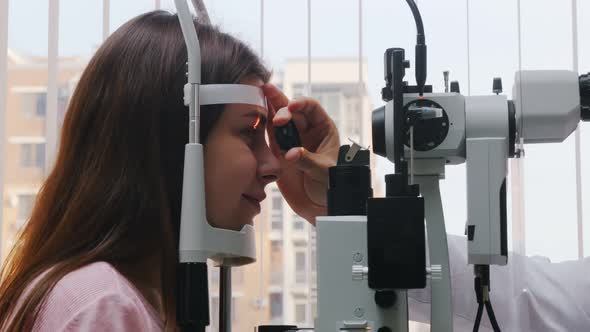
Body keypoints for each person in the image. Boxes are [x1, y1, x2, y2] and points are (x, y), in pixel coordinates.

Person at [0, 11, 339, 331]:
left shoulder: (114, 298)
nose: (273, 166)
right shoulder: (105, 306)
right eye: (250, 132)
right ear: (174, 138)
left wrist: (327, 207)